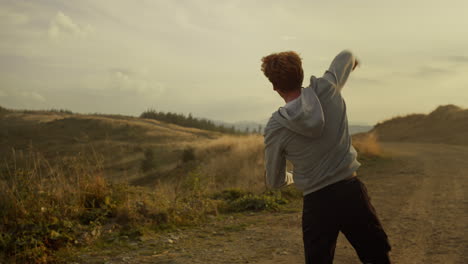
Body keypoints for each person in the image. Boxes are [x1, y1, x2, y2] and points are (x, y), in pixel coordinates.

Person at [261, 50, 391, 264]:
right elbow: (346, 55)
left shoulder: (276, 127)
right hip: (351, 192)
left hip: (317, 203)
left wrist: (294, 176)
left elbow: (274, 182)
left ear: (274, 86)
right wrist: (353, 63)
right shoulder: (327, 88)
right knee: (377, 257)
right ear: (301, 74)